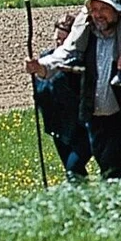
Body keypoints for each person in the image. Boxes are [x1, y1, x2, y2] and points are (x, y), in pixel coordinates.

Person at [28, 0, 121, 181]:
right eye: (94, 10)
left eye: (104, 9)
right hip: (94, 118)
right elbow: (60, 57)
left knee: (114, 166)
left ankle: (118, 205)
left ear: (117, 11)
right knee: (108, 168)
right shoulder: (84, 39)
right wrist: (39, 67)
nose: (98, 14)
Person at [31, 12, 93, 181]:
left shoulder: (81, 64)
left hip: (82, 130)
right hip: (58, 128)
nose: (59, 43)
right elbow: (41, 90)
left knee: (74, 169)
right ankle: (85, 203)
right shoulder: (46, 59)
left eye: (63, 40)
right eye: (57, 39)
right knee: (72, 173)